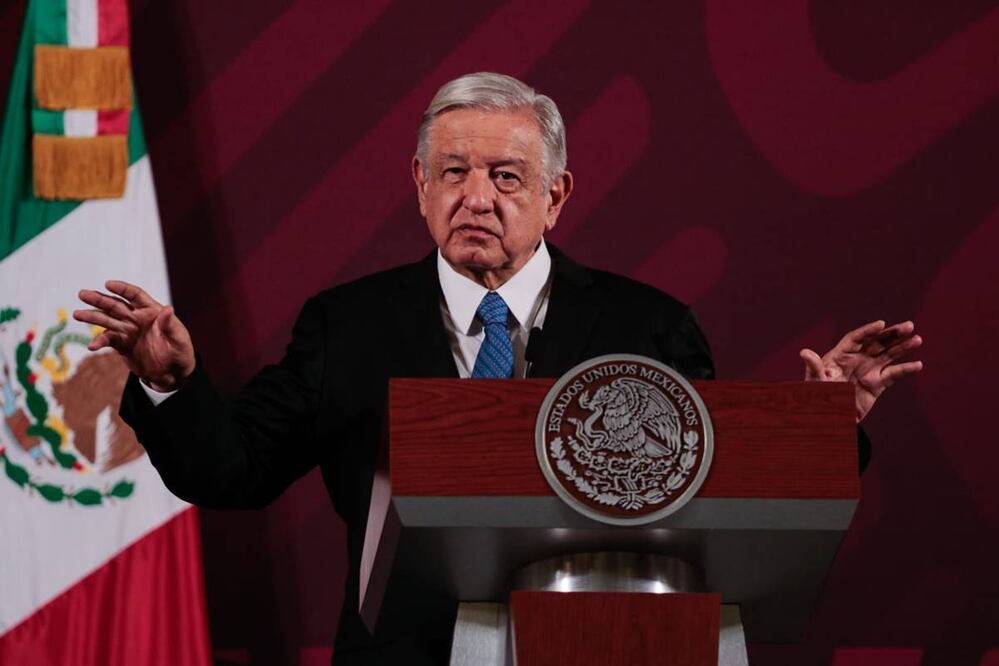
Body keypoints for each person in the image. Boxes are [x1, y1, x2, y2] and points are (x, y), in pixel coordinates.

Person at [74, 72, 923, 663]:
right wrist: (171, 384)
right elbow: (233, 471)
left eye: (506, 176)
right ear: (417, 184)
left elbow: (706, 483)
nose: (475, 196)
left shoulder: (647, 324)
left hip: (617, 650)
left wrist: (821, 427)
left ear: (555, 195)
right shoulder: (348, 325)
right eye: (453, 171)